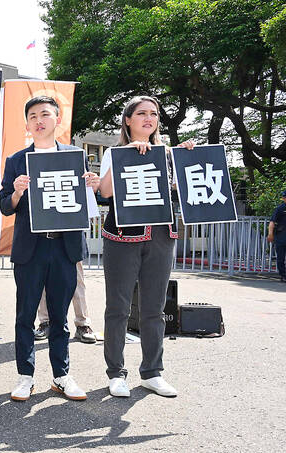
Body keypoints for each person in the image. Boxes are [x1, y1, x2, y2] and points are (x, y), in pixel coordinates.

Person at [0, 95, 99, 402]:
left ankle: (61, 375)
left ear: (57, 119)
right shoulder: (17, 160)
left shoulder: (75, 156)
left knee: (60, 316)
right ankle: (25, 376)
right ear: (27, 125)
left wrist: (92, 186)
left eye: (45, 114)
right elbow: (5, 206)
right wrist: (17, 192)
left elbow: (85, 201)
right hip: (30, 248)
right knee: (25, 315)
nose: (39, 120)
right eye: (32, 116)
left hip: (64, 247)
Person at [97, 95, 194, 398]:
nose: (149, 118)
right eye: (141, 113)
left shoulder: (169, 154)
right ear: (128, 120)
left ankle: (152, 372)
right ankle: (116, 373)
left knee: (154, 308)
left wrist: (189, 158)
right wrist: (126, 155)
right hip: (122, 237)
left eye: (153, 113)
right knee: (118, 308)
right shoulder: (115, 152)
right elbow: (105, 192)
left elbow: (184, 188)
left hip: (161, 236)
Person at [34, 233, 98, 343]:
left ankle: (83, 324)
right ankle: (45, 323)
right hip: (45, 235)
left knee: (77, 281)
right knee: (45, 279)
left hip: (71, 236)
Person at [267, 189, 286, 283]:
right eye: (284, 197)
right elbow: (272, 222)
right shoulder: (280, 209)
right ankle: (283, 275)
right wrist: (270, 234)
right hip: (281, 235)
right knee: (280, 258)